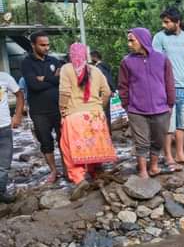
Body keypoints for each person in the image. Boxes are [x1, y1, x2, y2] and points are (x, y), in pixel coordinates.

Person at [58, 43, 116, 191]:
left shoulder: (67, 69)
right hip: (96, 115)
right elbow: (108, 92)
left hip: (74, 116)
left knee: (70, 147)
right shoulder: (96, 70)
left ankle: (79, 178)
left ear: (71, 55)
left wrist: (62, 110)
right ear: (86, 55)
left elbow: (64, 92)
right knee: (92, 146)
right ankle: (96, 172)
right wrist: (98, 108)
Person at [119, 28, 175, 178]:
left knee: (158, 139)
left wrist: (170, 104)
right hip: (136, 110)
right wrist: (127, 106)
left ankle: (154, 167)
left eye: (132, 40)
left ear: (143, 40)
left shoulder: (162, 59)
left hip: (161, 108)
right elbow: (123, 86)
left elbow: (169, 82)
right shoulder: (127, 62)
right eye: (129, 40)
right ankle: (143, 171)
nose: (129, 44)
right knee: (141, 141)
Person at [153, 7, 184, 168]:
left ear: (177, 22)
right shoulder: (159, 38)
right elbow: (156, 63)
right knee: (168, 125)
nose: (164, 25)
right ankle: (168, 156)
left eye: (167, 22)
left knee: (182, 123)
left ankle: (180, 154)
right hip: (166, 87)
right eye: (163, 22)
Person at [20, 31, 62, 183]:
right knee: (45, 141)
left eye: (48, 44)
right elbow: (33, 85)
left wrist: (43, 78)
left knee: (64, 140)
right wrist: (52, 79)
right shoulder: (26, 63)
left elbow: (61, 80)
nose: (46, 47)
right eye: (42, 45)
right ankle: (53, 171)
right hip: (39, 111)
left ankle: (68, 167)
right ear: (33, 45)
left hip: (58, 108)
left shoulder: (54, 60)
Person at [0, 70, 24, 202]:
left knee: (4, 163)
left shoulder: (4, 77)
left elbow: (20, 94)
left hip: (4, 127)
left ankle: (1, 192)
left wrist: (18, 115)